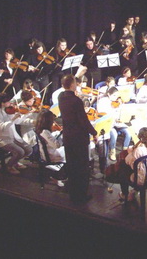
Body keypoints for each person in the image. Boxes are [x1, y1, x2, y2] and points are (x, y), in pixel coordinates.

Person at [58, 74, 97, 203]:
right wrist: (94, 132)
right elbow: (83, 121)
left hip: (68, 136)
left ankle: (73, 194)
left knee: (72, 165)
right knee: (81, 167)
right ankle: (81, 195)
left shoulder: (61, 97)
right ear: (72, 85)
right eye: (75, 83)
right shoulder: (76, 101)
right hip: (79, 137)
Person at [0, 93, 33, 175]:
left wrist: (26, 114)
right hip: (4, 139)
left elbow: (18, 121)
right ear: (2, 103)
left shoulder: (9, 110)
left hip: (14, 136)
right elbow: (2, 127)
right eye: (8, 101)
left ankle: (15, 162)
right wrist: (13, 118)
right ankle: (9, 166)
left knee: (29, 149)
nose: (11, 103)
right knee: (20, 152)